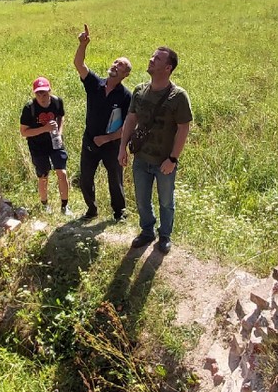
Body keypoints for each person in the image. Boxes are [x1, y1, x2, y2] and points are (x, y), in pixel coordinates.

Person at [118, 46, 192, 254]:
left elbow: (183, 128)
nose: (151, 60)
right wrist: (122, 147)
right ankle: (147, 231)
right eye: (152, 56)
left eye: (157, 59)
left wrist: (173, 159)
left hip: (164, 161)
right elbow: (131, 119)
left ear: (168, 67)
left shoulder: (178, 96)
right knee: (142, 199)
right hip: (141, 158)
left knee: (166, 201)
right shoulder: (139, 91)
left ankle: (165, 236)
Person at [73, 23, 132, 221]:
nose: (116, 66)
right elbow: (79, 65)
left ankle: (119, 213)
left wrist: (107, 139)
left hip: (112, 145)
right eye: (116, 63)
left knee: (115, 180)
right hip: (89, 141)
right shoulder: (95, 85)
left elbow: (127, 126)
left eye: (121, 66)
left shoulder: (125, 96)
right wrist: (83, 44)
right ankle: (91, 210)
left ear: (125, 75)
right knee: (86, 178)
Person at [20, 76, 70, 213]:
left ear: (50, 90)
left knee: (62, 172)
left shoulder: (57, 102)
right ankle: (44, 205)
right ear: (34, 93)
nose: (42, 96)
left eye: (45, 93)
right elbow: (24, 132)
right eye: (38, 93)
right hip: (37, 146)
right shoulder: (29, 108)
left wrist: (59, 132)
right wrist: (44, 129)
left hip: (55, 142)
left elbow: (60, 116)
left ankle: (65, 206)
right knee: (43, 176)